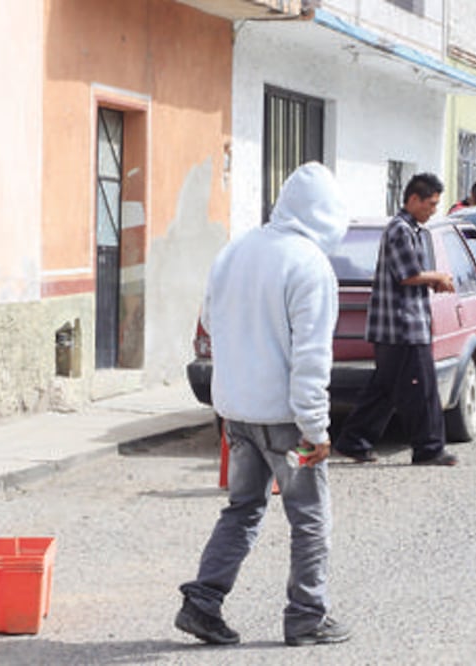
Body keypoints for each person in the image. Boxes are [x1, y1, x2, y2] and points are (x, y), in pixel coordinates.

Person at [175, 162, 351, 647]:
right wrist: (316, 428)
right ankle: (307, 617)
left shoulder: (236, 250)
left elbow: (210, 319)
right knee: (310, 518)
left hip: (236, 411)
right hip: (285, 419)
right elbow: (312, 357)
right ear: (328, 215)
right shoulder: (309, 265)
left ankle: (202, 603)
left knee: (243, 509)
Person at [335, 173, 459, 466]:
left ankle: (354, 441)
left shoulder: (412, 230)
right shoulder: (400, 230)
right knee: (422, 390)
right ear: (413, 199)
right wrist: (437, 277)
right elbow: (408, 275)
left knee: (385, 389)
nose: (433, 210)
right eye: (430, 204)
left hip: (402, 324)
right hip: (401, 326)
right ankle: (429, 448)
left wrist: (432, 281)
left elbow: (410, 275)